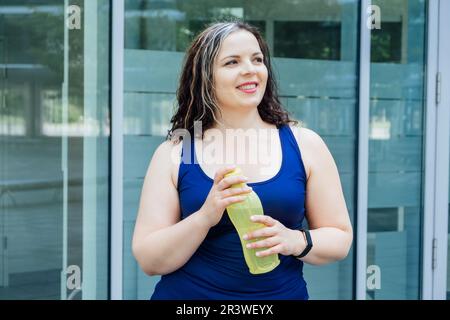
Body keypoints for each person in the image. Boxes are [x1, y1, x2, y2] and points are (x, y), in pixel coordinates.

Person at [132, 21, 353, 300]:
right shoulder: (179, 151)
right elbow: (149, 260)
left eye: (257, 59)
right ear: (205, 77)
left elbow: (341, 238)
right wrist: (205, 217)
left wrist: (295, 240)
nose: (250, 69)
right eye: (232, 62)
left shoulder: (304, 144)